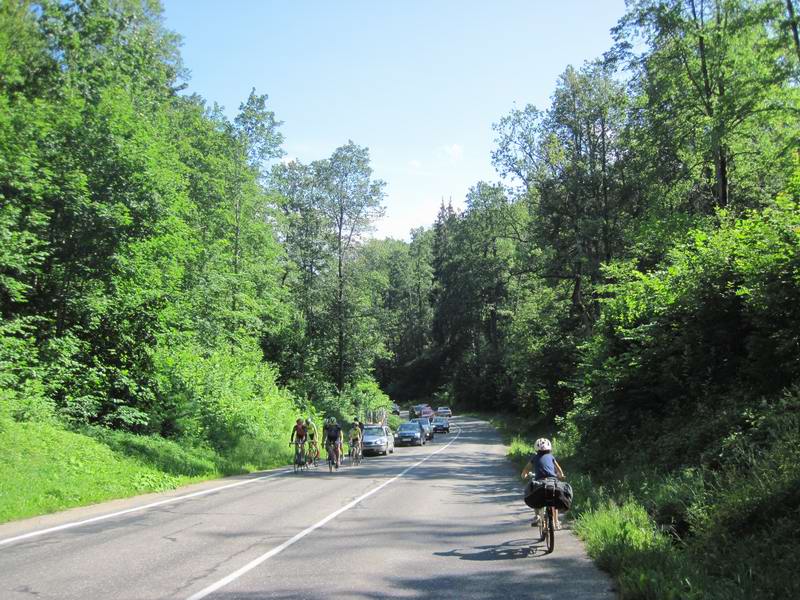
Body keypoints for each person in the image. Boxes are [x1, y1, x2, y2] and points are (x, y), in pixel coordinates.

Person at [521, 437, 565, 529]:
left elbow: (526, 470)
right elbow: (559, 469)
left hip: (540, 482)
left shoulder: (534, 458)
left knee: (534, 494)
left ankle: (537, 516)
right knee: (554, 500)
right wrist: (560, 475)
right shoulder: (551, 457)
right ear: (549, 448)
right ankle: (556, 521)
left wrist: (524, 475)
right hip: (552, 481)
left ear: (536, 448)